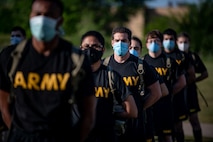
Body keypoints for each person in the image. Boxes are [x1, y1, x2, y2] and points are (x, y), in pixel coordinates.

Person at [0, 0, 96, 142]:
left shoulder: (76, 60)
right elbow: (3, 104)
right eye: (38, 14)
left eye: (49, 15)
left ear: (59, 21)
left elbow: (88, 115)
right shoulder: (12, 56)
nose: (42, 20)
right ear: (30, 17)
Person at [103, 26, 162, 142]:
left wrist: (139, 108)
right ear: (112, 42)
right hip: (110, 121)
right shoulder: (104, 65)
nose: (120, 43)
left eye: (124, 41)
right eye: (117, 40)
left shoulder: (141, 65)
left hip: (135, 123)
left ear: (129, 42)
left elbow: (157, 93)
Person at [80, 30, 138, 142]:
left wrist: (113, 114)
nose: (90, 50)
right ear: (80, 49)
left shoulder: (111, 76)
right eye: (86, 46)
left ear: (103, 49)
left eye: (95, 46)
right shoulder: (72, 75)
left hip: (104, 136)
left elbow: (132, 111)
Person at [143, 30, 186, 142]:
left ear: (161, 43)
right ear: (146, 44)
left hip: (165, 106)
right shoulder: (143, 62)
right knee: (148, 136)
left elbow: (182, 82)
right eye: (151, 41)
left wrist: (168, 93)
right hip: (149, 106)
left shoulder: (169, 61)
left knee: (166, 136)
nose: (154, 43)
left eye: (157, 41)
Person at [162, 28, 194, 142]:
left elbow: (191, 75)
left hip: (179, 96)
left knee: (178, 126)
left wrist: (177, 88)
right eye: (166, 39)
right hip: (163, 99)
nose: (168, 41)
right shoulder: (159, 56)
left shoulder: (182, 56)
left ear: (175, 40)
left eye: (171, 39)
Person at [177, 32, 208, 142]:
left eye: (185, 42)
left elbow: (205, 73)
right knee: (178, 123)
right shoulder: (174, 57)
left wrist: (193, 81)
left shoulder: (193, 56)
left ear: (189, 43)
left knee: (194, 119)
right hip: (178, 93)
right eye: (180, 42)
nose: (183, 44)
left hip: (190, 92)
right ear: (177, 43)